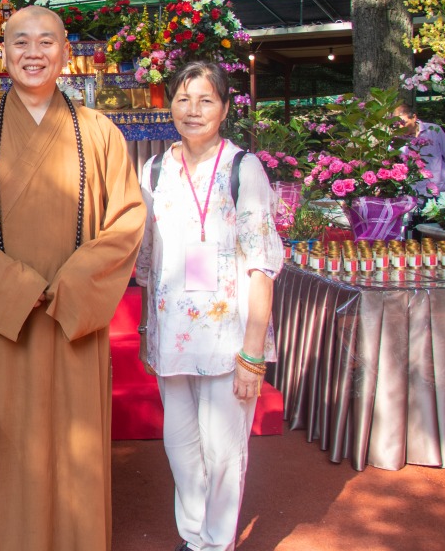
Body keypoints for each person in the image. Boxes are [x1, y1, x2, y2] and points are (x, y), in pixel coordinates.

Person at [0, 5, 146, 550]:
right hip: (7, 318)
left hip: (74, 315)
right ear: (2, 54)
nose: (33, 53)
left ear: (65, 52)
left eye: (46, 42)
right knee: (8, 443)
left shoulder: (101, 134)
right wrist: (14, 287)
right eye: (20, 42)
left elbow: (127, 220)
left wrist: (71, 286)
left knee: (77, 445)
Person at [135, 61, 284, 551]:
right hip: (172, 337)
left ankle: (217, 543)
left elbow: (261, 263)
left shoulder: (244, 169)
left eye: (205, 100)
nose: (192, 110)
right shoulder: (154, 170)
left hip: (228, 339)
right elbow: (147, 261)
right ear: (169, 104)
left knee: (223, 451)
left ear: (224, 107)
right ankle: (193, 537)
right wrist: (145, 330)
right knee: (180, 447)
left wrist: (253, 353)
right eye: (183, 98)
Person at [393, 103, 445, 196]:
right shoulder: (396, 140)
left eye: (404, 122)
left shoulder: (434, 130)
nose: (401, 127)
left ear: (414, 117)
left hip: (441, 190)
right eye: (398, 124)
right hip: (414, 194)